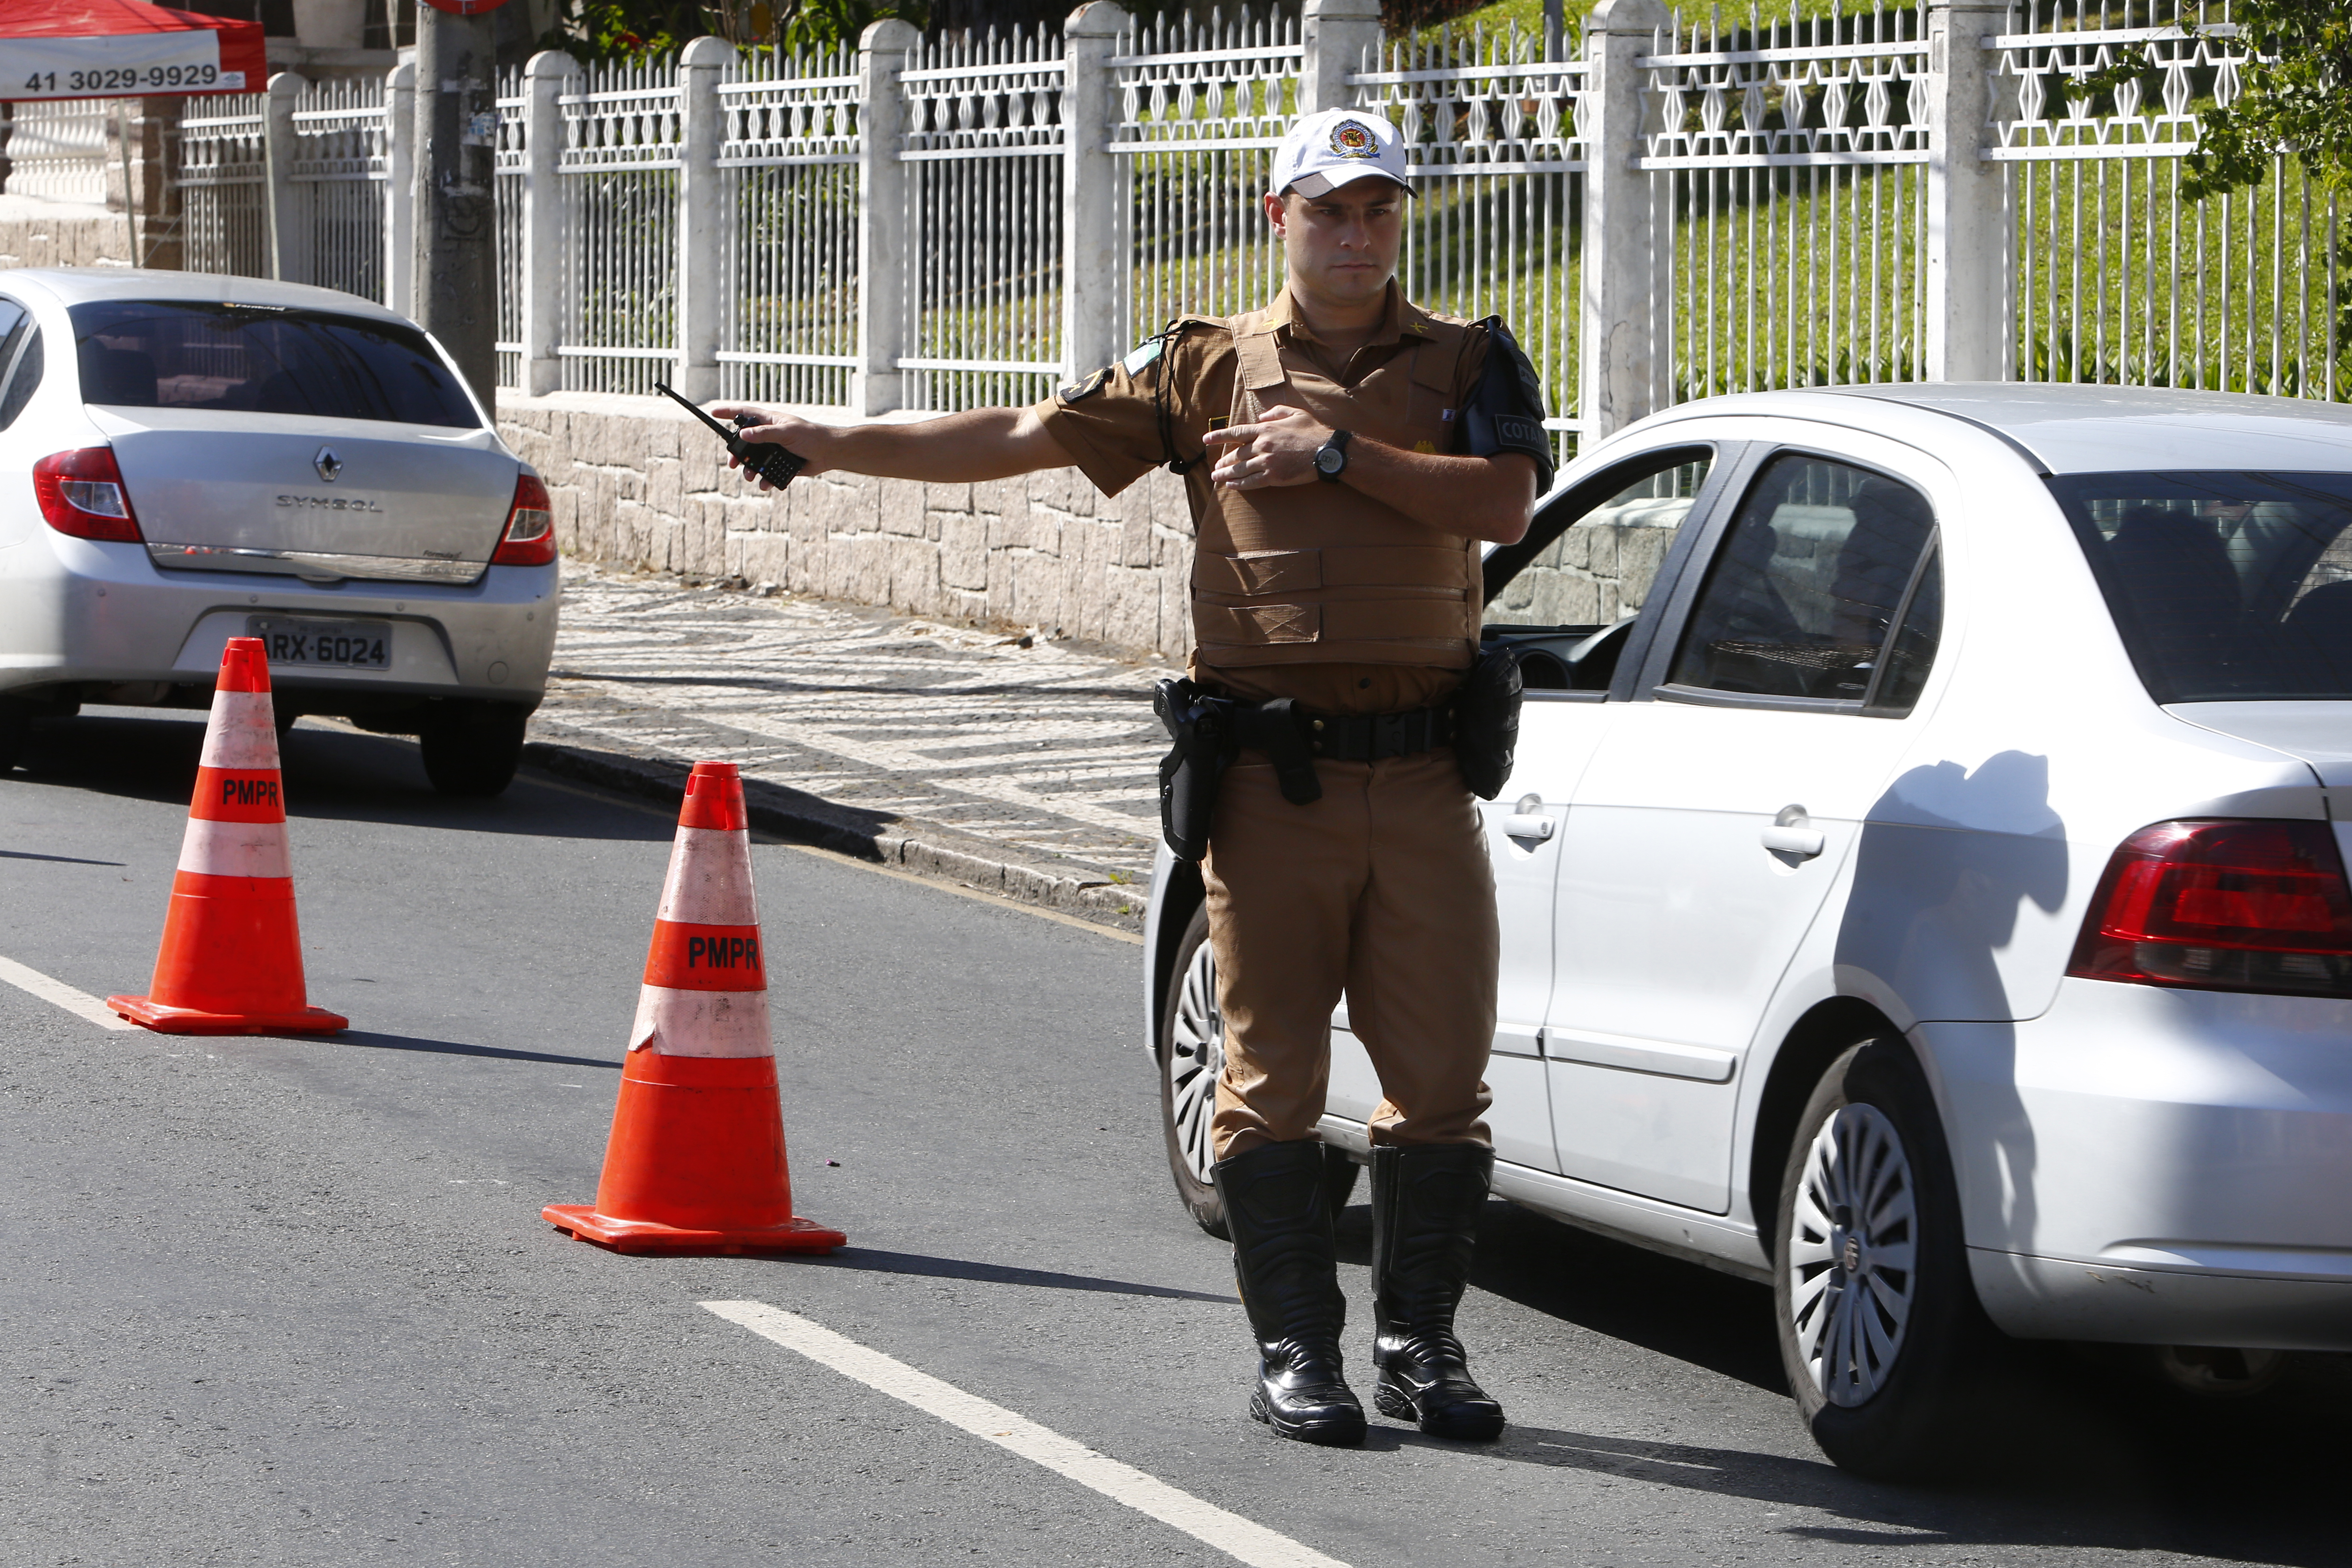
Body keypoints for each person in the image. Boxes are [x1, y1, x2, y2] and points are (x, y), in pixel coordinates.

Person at [708, 107, 1548, 1449]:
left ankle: (1418, 1346)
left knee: (1441, 1084)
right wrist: (824, 436)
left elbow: (1503, 503)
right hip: (1276, 782)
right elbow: (1021, 433)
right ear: (1277, 218)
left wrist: (1329, 455)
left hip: (1426, 780)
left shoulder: (1470, 359)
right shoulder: (1204, 366)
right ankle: (1295, 1353)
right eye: (1326, 208)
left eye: (1377, 208)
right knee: (1270, 1079)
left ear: (1402, 220)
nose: (1353, 233)